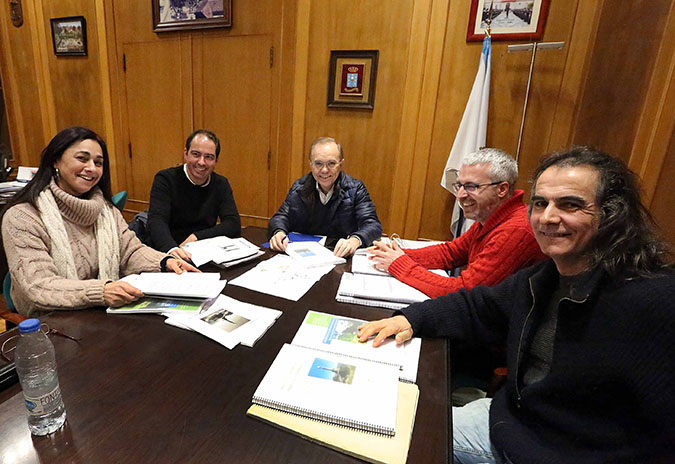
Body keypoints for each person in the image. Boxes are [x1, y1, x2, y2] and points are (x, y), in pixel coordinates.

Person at [358, 147, 675, 463]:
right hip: (513, 419)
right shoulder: (545, 275)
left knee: (385, 437)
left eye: (570, 205)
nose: (548, 217)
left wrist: (399, 264)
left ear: (612, 214)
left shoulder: (653, 299)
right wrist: (411, 318)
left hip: (548, 448)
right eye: (541, 203)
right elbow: (478, 303)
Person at [1, 127, 198, 316]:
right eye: (82, 159)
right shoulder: (22, 217)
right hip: (49, 323)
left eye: (98, 162)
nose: (91, 168)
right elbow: (37, 286)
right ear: (55, 161)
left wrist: (165, 262)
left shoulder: (106, 210)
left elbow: (130, 251)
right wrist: (101, 291)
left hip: (100, 313)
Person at [369, 148, 546, 298]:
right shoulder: (491, 216)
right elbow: (451, 253)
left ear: (502, 189)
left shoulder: (516, 230)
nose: (460, 195)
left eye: (471, 187)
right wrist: (397, 254)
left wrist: (399, 263)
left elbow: (465, 291)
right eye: (459, 186)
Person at [268, 137, 382, 257]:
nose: (324, 170)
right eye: (318, 163)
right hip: (304, 256)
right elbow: (281, 217)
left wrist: (355, 240)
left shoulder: (356, 189)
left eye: (331, 163)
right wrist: (278, 231)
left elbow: (373, 225)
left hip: (339, 256)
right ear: (310, 164)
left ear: (341, 164)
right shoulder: (299, 187)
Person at [148, 129, 241, 260]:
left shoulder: (221, 183)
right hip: (169, 251)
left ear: (216, 161)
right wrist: (172, 250)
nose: (201, 162)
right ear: (186, 154)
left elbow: (233, 224)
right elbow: (156, 221)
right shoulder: (165, 179)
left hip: (203, 251)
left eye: (209, 157)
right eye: (196, 154)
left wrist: (196, 237)